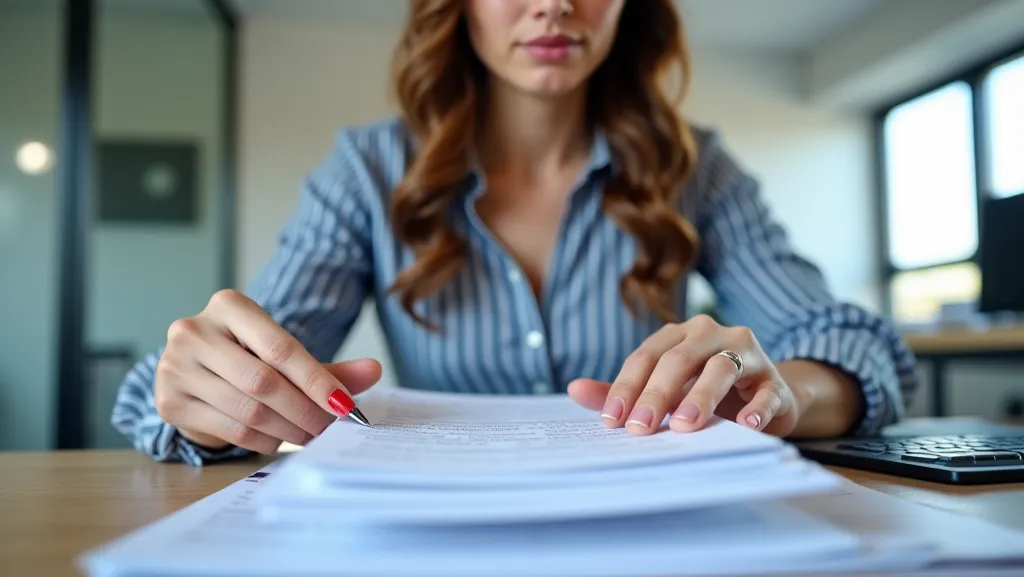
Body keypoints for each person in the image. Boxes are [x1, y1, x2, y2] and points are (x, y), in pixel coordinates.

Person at [112, 0, 918, 465]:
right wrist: (203, 397)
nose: (554, 4)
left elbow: (853, 344)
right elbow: (239, 371)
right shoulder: (367, 169)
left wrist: (783, 391)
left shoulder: (695, 165)